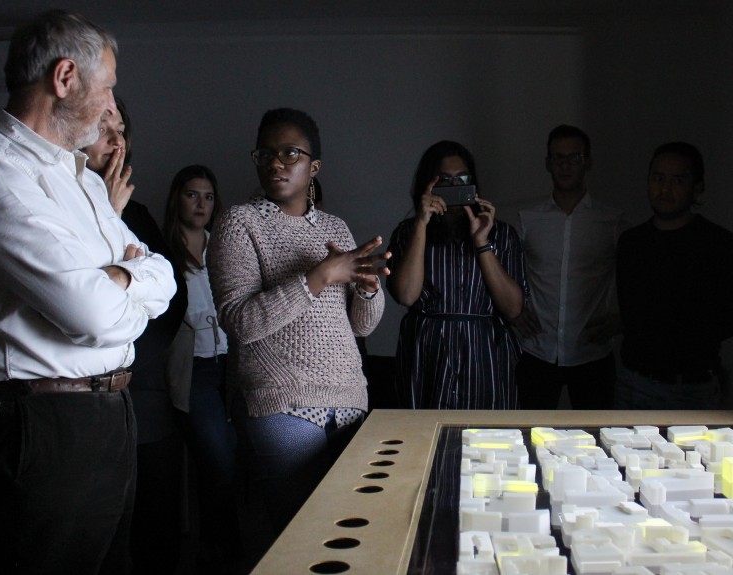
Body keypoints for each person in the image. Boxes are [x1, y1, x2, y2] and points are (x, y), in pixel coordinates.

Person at [0, 10, 177, 575]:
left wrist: (119, 277)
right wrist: (123, 280)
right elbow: (93, 315)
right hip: (37, 425)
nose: (112, 107)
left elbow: (163, 277)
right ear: (65, 78)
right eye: (107, 88)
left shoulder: (84, 179)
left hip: (106, 416)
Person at [207, 108, 387, 559]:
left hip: (349, 398)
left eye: (290, 153)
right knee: (304, 541)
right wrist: (318, 277)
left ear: (314, 166)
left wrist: (368, 290)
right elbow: (240, 321)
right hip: (281, 402)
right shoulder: (238, 223)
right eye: (265, 153)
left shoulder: (335, 227)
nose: (276, 163)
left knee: (351, 534)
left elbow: (361, 326)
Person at [81, 97, 188, 575]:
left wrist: (124, 356)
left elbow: (169, 298)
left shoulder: (139, 215)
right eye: (103, 125)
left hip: (141, 387)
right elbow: (81, 299)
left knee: (154, 522)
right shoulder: (56, 212)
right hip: (78, 399)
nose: (116, 139)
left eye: (122, 128)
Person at [388, 140, 526, 410]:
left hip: (484, 351)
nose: (454, 187)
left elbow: (513, 308)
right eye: (444, 180)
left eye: (462, 179)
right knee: (424, 429)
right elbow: (406, 295)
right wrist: (421, 223)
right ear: (429, 184)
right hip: (427, 350)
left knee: (488, 430)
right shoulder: (408, 231)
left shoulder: (502, 234)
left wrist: (482, 242)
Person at [615, 141, 733, 409]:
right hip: (633, 383)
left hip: (691, 388)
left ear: (697, 187)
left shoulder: (717, 242)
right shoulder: (631, 242)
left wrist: (684, 335)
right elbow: (629, 310)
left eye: (677, 180)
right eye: (658, 178)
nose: (665, 189)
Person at [510, 125, 629, 410]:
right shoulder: (527, 220)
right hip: (537, 350)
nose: (565, 165)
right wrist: (513, 312)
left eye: (574, 157)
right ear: (548, 163)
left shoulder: (612, 222)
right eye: (558, 157)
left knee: (597, 433)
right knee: (529, 430)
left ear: (588, 162)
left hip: (592, 353)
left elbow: (638, 279)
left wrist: (622, 319)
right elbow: (505, 271)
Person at [162, 164, 243, 571]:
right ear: (177, 198)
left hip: (232, 365)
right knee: (217, 458)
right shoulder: (162, 250)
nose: (201, 204)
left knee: (233, 458)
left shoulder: (223, 247)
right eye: (192, 194)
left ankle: (219, 547)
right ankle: (221, 549)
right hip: (193, 369)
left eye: (208, 197)